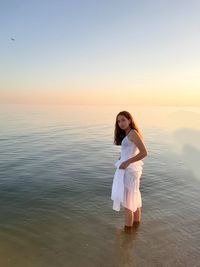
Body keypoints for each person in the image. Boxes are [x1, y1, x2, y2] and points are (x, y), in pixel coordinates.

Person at [111, 110, 148, 230]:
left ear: (129, 120)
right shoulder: (129, 134)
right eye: (118, 121)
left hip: (129, 171)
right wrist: (122, 158)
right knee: (134, 199)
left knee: (128, 202)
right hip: (131, 170)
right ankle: (135, 230)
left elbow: (144, 153)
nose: (120, 123)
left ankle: (127, 235)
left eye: (123, 120)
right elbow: (130, 151)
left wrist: (126, 162)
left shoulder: (132, 134)